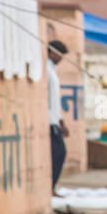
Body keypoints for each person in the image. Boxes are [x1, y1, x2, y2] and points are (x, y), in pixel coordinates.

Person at [46, 39, 69, 194]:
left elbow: (55, 100)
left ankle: (52, 187)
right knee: (58, 153)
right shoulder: (46, 70)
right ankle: (50, 187)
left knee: (59, 153)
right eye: (59, 55)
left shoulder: (52, 70)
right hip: (48, 121)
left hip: (55, 120)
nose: (61, 59)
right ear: (52, 53)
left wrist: (61, 121)